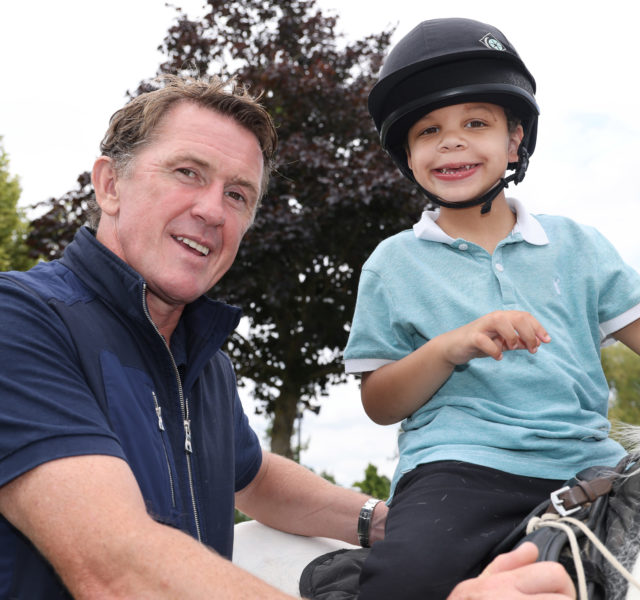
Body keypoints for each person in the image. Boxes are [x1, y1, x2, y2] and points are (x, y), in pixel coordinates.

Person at [0, 74, 574, 600]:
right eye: (187, 173)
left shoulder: (204, 364)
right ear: (109, 186)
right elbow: (116, 568)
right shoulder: (21, 320)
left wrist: (394, 522)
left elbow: (255, 478)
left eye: (238, 195)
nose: (212, 210)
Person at [343, 17, 640, 600]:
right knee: (405, 583)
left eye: (475, 123)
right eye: (429, 130)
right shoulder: (392, 263)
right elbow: (379, 403)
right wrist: (449, 347)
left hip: (586, 464)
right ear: (408, 153)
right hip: (457, 470)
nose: (451, 141)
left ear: (514, 140)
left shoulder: (577, 244)